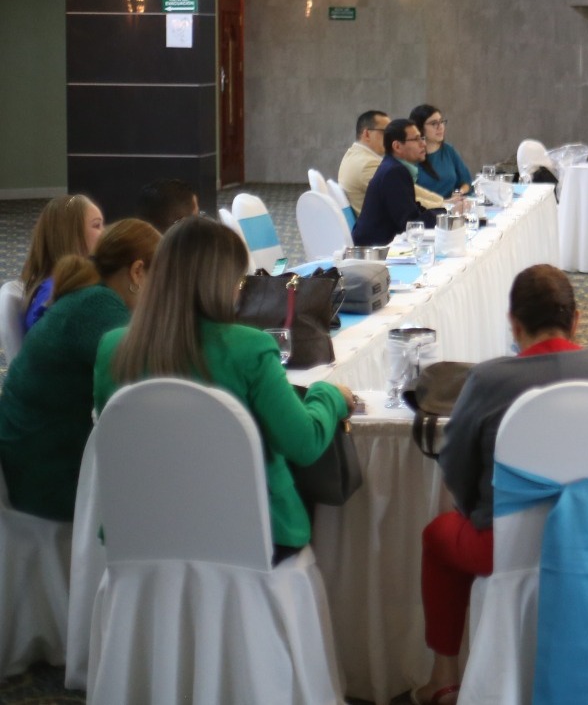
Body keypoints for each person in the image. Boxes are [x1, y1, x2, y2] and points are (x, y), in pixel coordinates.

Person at [410, 265, 588, 705]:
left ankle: (444, 679)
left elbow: (456, 471)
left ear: (514, 325)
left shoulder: (487, 380)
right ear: (577, 320)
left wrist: (482, 512)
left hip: (505, 546)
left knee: (437, 536)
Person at [92, 217, 354, 563]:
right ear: (223, 283)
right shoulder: (249, 348)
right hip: (248, 536)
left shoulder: (113, 347)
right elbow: (303, 444)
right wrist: (329, 395)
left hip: (142, 533)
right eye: (239, 281)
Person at [0, 220, 160, 521]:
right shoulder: (98, 308)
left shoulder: (87, 295)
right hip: (48, 483)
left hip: (29, 462)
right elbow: (147, 382)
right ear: (138, 272)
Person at [20, 194, 105, 333]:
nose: (104, 232)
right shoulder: (58, 293)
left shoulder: (54, 285)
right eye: (97, 225)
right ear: (72, 235)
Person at [339, 109, 448, 215]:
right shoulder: (366, 165)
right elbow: (404, 199)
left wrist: (442, 202)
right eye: (386, 132)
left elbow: (410, 189)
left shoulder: (355, 155)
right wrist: (444, 206)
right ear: (367, 134)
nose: (391, 138)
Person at [352, 118, 443, 246]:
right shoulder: (394, 172)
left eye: (422, 138)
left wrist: (444, 211)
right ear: (397, 146)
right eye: (416, 139)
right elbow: (411, 225)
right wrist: (445, 216)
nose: (423, 144)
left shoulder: (392, 166)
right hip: (376, 250)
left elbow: (414, 210)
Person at [411, 104, 473, 199]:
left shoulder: (448, 150)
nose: (440, 127)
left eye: (441, 122)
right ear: (420, 128)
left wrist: (460, 192)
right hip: (425, 207)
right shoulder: (411, 156)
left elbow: (466, 182)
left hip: (451, 205)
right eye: (434, 123)